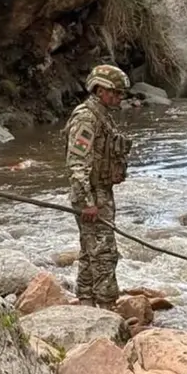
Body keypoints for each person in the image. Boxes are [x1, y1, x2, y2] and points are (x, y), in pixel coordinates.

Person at [64, 65, 133, 309]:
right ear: (100, 90)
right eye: (115, 93)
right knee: (104, 253)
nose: (119, 98)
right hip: (91, 194)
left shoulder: (102, 114)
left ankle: (86, 300)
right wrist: (88, 202)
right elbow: (77, 162)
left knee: (89, 250)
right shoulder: (86, 117)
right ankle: (105, 305)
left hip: (100, 191)